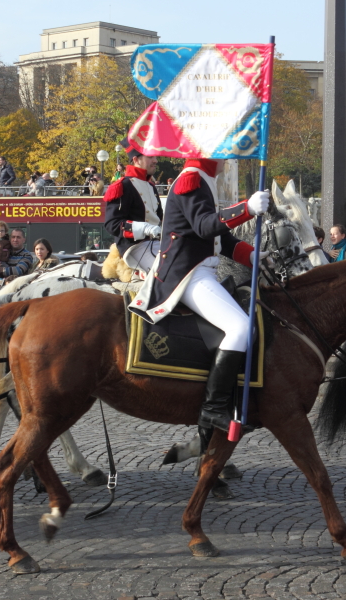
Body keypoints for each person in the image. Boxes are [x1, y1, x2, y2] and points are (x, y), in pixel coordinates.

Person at [129, 157, 269, 451]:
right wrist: (247, 208)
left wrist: (251, 255)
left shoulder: (204, 179)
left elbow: (220, 239)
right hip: (186, 274)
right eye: (223, 153)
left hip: (202, 269)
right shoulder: (191, 179)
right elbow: (205, 227)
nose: (227, 159)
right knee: (240, 327)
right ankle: (213, 408)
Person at [104, 138, 164, 274]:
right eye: (150, 156)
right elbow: (112, 224)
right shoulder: (122, 186)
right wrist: (145, 228)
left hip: (156, 244)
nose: (155, 160)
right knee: (167, 271)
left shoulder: (151, 187)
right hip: (135, 248)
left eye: (155, 156)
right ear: (136, 159)